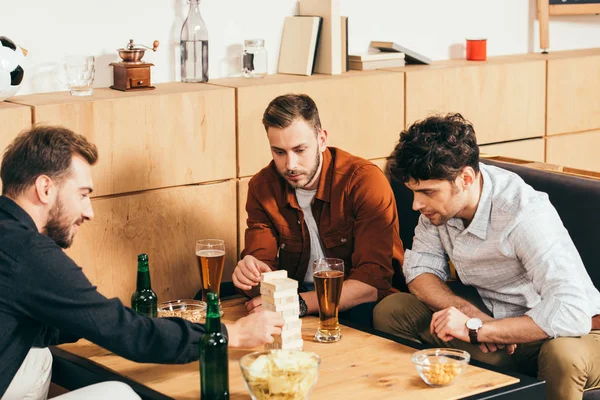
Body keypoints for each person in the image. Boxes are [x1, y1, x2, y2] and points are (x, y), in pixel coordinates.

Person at [0, 126, 285, 400]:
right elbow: (126, 334)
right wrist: (230, 333)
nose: (90, 211)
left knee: (39, 357)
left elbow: (64, 322)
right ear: (45, 188)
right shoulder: (27, 252)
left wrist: (124, 320)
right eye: (83, 194)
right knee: (119, 394)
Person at [373, 113, 600, 400]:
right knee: (393, 310)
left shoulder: (523, 214)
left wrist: (481, 331)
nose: (417, 204)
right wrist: (473, 318)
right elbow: (419, 270)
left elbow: (571, 310)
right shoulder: (439, 210)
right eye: (414, 193)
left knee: (561, 356)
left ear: (466, 178)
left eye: (428, 192)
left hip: (574, 333)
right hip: (498, 328)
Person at [232, 94, 404, 324]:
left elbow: (372, 284)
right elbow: (263, 274)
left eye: (300, 150)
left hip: (360, 303)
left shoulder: (363, 180)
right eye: (279, 152)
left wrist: (299, 304)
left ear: (322, 140)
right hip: (297, 299)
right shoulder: (262, 187)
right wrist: (250, 274)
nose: (290, 165)